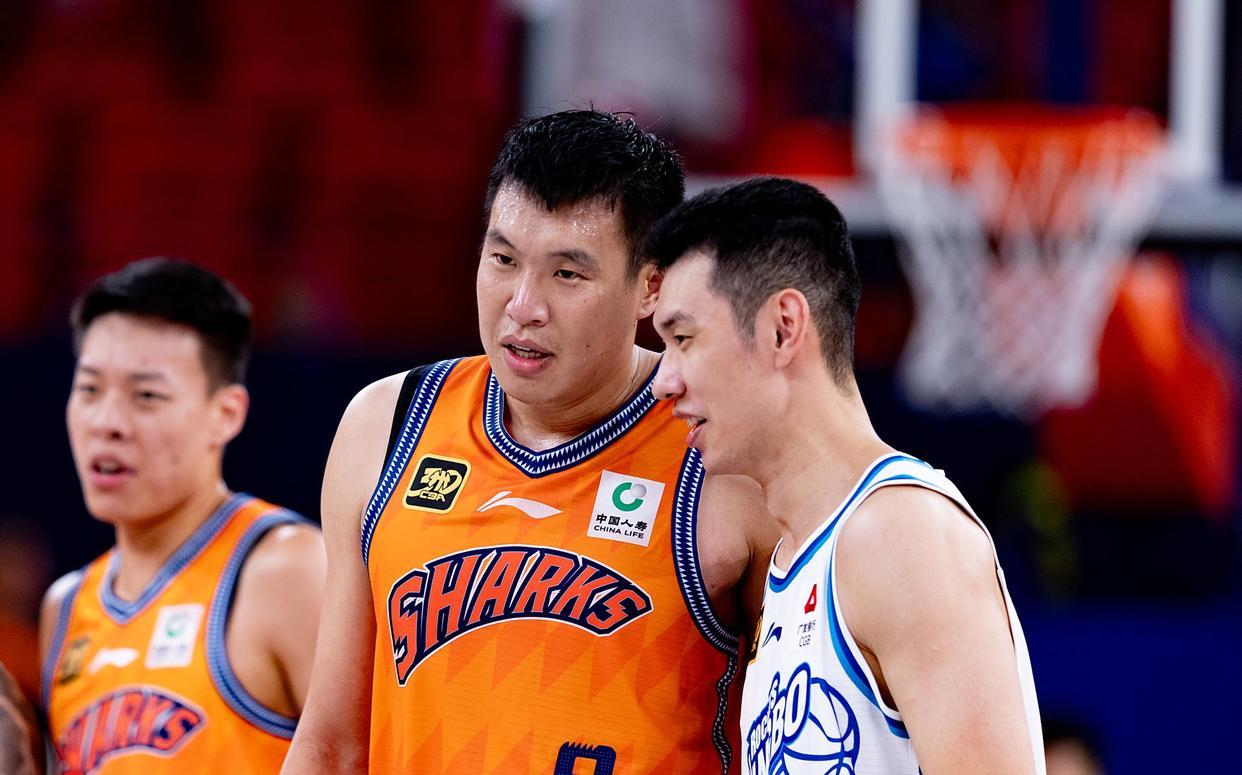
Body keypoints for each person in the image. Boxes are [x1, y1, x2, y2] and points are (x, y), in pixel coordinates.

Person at [285, 110, 776, 773]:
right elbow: (331, 743)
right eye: (503, 259)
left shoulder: (722, 453)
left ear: (651, 286)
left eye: (566, 274)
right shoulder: (386, 425)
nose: (522, 305)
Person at [646, 177, 1045, 774]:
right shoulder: (796, 558)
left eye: (684, 339)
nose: (664, 381)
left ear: (783, 327)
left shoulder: (899, 534)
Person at [40, 258, 325, 773]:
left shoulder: (285, 571)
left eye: (146, 396)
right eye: (89, 390)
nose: (107, 422)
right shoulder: (65, 608)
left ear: (226, 414)